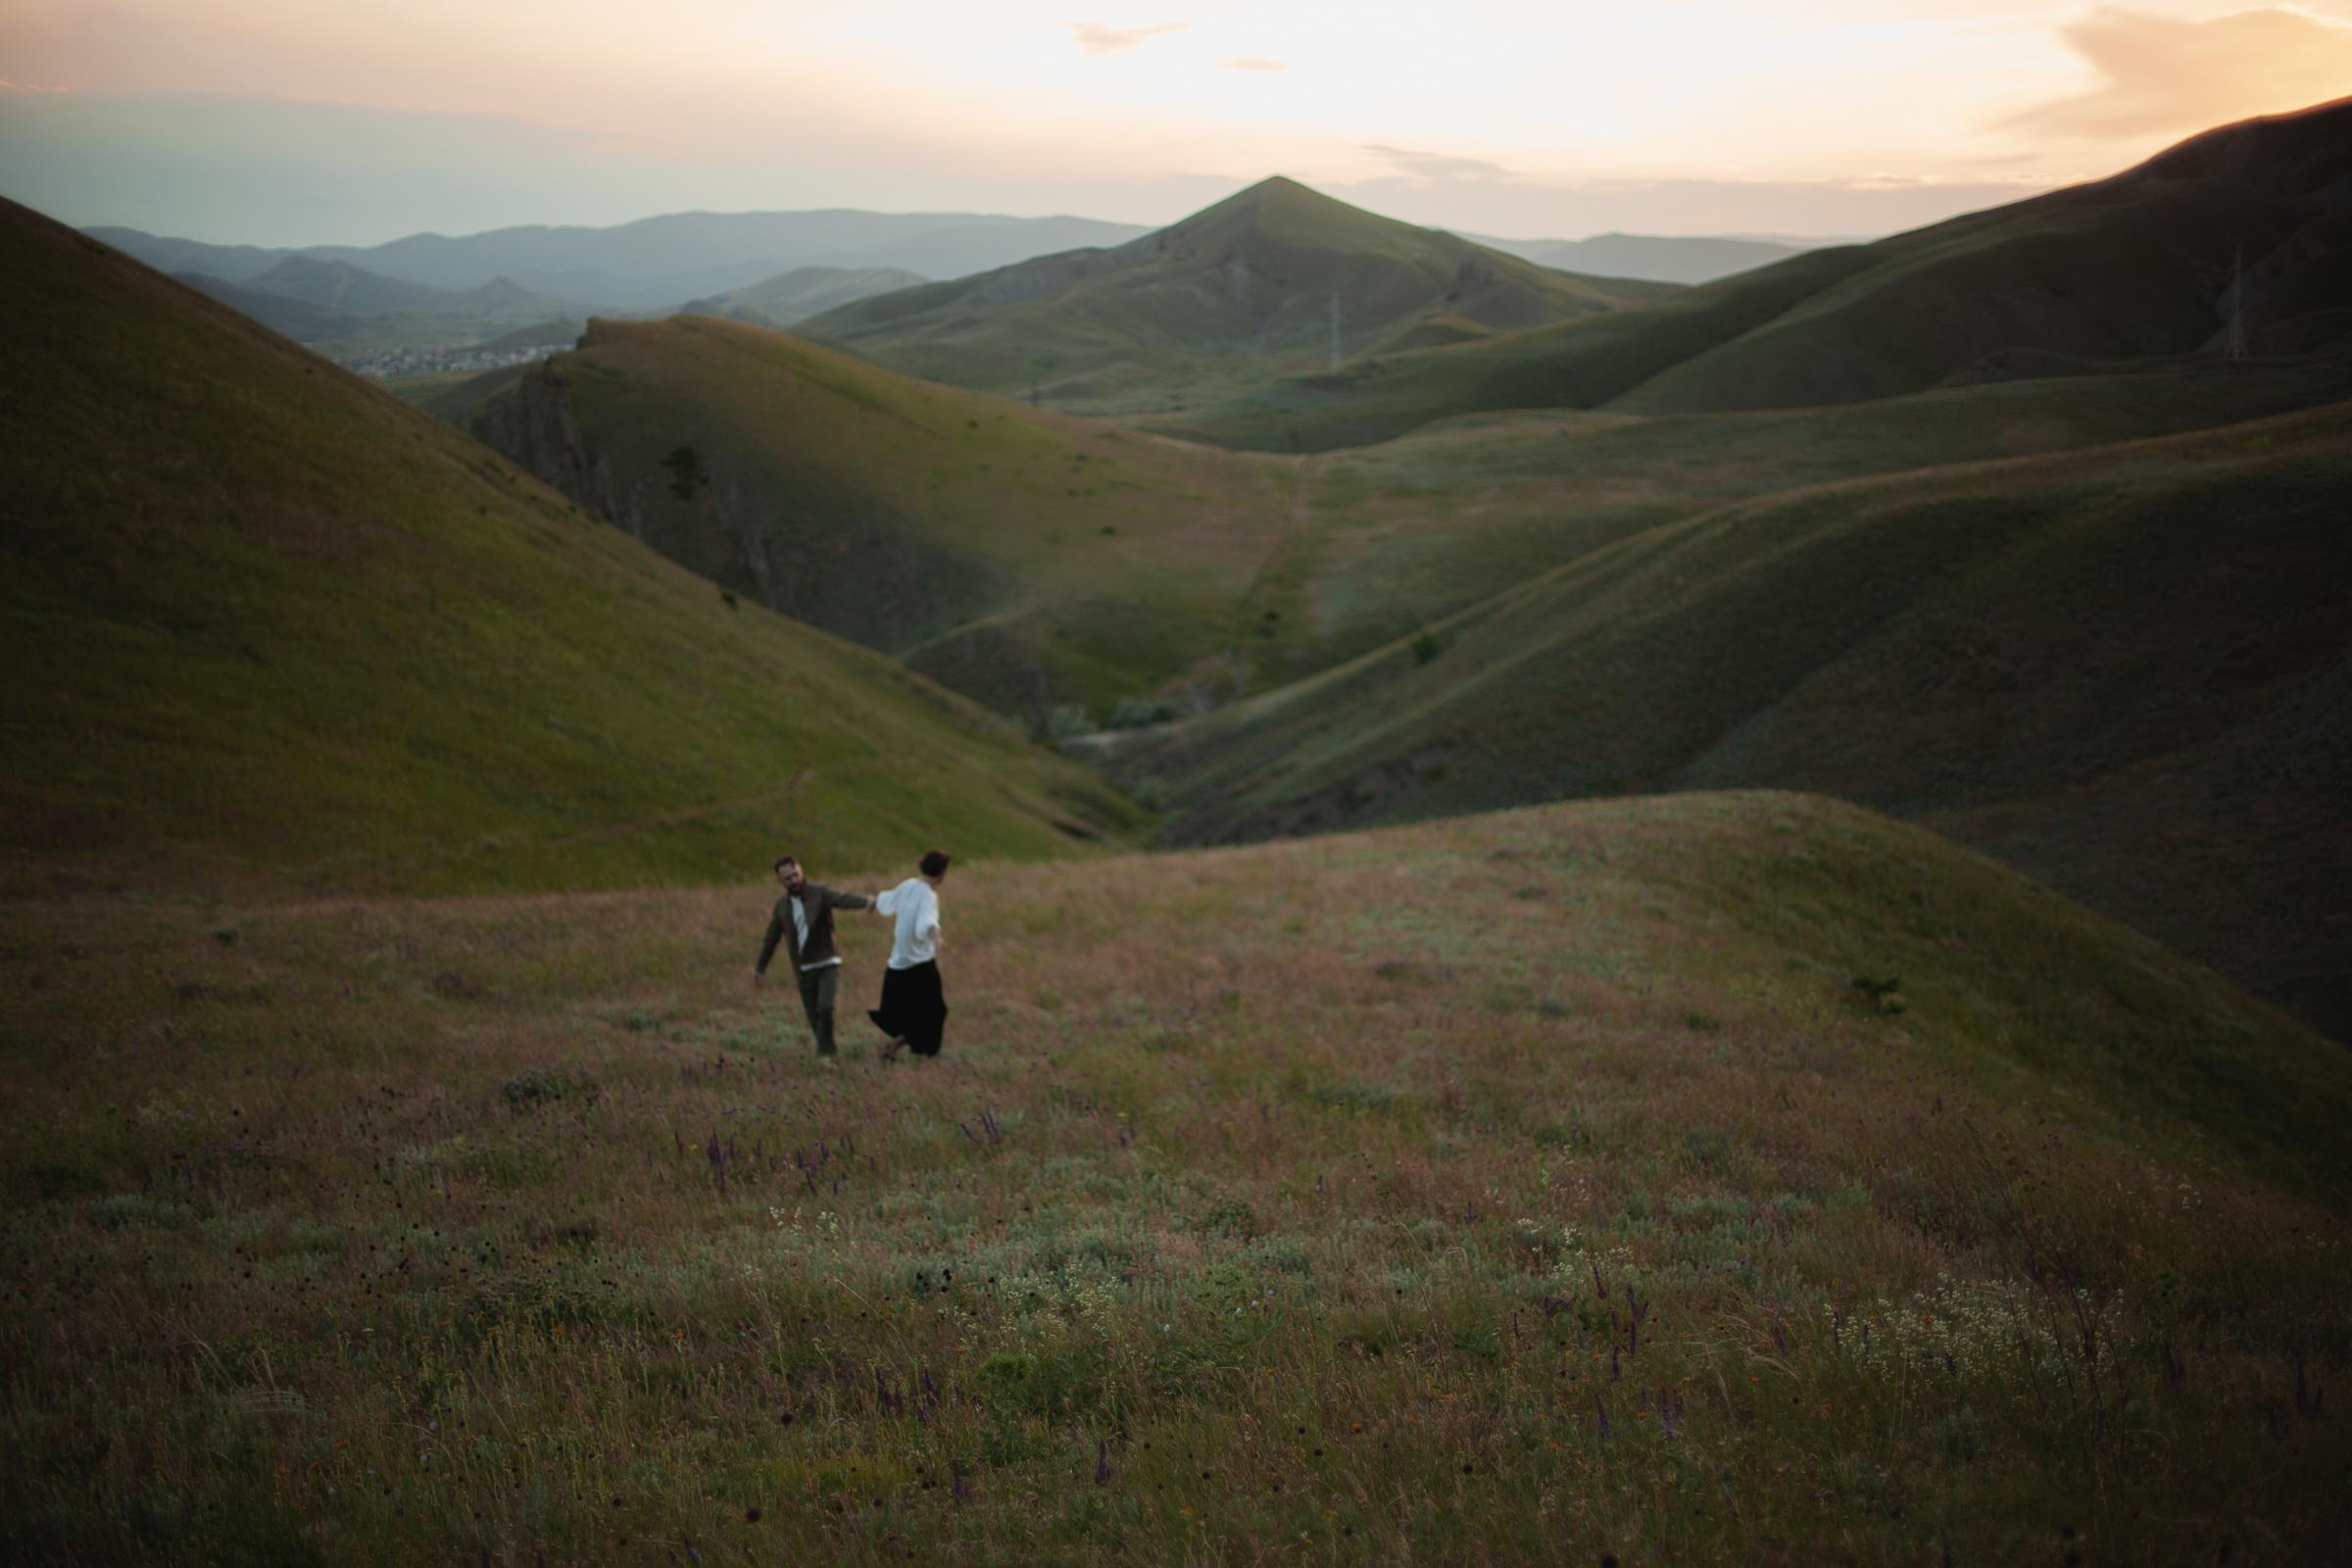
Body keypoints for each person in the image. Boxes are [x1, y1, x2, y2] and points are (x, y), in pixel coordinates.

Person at [751, 856, 873, 1061]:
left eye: (796, 875)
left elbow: (842, 900)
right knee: (813, 1016)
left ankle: (825, 1054)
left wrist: (867, 901)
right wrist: (760, 968)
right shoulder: (781, 906)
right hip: (803, 969)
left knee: (825, 1007)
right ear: (781, 882)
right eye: (788, 878)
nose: (794, 881)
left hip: (827, 962)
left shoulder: (820, 893)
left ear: (802, 872)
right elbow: (771, 939)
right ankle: (828, 1055)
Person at [870, 850, 951, 1060]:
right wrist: (938, 939)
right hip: (920, 965)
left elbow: (886, 901)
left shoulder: (908, 885)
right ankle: (900, 1051)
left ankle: (894, 1051)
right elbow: (928, 922)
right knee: (934, 1011)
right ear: (941, 873)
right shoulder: (929, 895)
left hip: (897, 965)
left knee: (913, 1014)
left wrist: (871, 903)